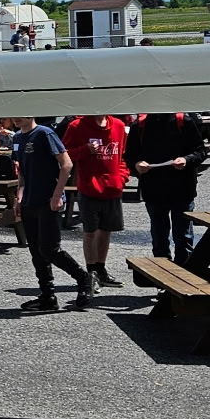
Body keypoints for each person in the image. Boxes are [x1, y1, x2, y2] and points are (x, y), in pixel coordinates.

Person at [6, 116, 92, 311]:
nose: (17, 119)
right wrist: (19, 197)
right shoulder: (18, 138)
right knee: (36, 251)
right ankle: (47, 295)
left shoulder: (45, 133)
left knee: (50, 249)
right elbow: (22, 171)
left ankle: (84, 279)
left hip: (49, 200)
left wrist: (57, 194)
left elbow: (67, 164)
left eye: (21, 115)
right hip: (29, 201)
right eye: (14, 115)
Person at [128, 111, 206, 264]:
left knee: (183, 237)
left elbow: (200, 151)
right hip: (153, 189)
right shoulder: (140, 125)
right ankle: (162, 275)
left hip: (182, 189)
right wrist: (137, 165)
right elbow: (130, 155)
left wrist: (186, 159)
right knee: (159, 237)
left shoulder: (184, 121)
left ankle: (184, 275)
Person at [62, 114, 130, 289]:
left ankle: (101, 269)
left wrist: (121, 177)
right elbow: (64, 154)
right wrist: (85, 149)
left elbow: (122, 155)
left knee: (106, 230)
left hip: (113, 188)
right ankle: (90, 273)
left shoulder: (119, 126)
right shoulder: (77, 126)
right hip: (89, 188)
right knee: (90, 232)